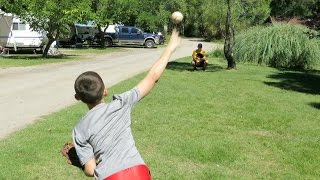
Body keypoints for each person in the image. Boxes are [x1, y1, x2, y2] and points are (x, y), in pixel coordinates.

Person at [71, 29, 181, 180]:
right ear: (105, 91)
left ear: (78, 97)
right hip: (139, 172)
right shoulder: (121, 103)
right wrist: (170, 48)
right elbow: (153, 77)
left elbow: (90, 171)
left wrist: (82, 162)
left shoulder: (79, 130)